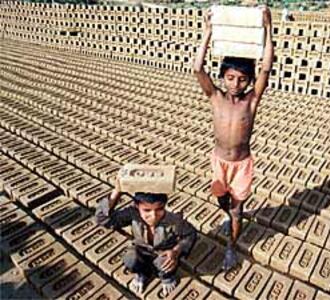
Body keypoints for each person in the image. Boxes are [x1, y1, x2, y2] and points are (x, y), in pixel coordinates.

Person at [193, 6, 274, 271]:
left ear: (248, 81)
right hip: (219, 162)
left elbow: (265, 69)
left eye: (241, 79)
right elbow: (197, 69)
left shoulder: (251, 102)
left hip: (241, 165)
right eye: (230, 78)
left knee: (238, 210)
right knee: (221, 198)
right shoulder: (215, 97)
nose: (235, 84)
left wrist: (268, 29)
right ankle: (228, 211)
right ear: (223, 77)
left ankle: (231, 247)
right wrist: (207, 32)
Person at [95, 179, 196, 296]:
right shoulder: (132, 214)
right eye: (147, 210)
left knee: (165, 262)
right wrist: (117, 191)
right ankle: (142, 273)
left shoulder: (173, 220)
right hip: (141, 252)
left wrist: (175, 251)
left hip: (162, 254)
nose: (153, 216)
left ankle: (166, 276)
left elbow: (190, 234)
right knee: (130, 258)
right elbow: (102, 219)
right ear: (137, 206)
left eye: (159, 209)